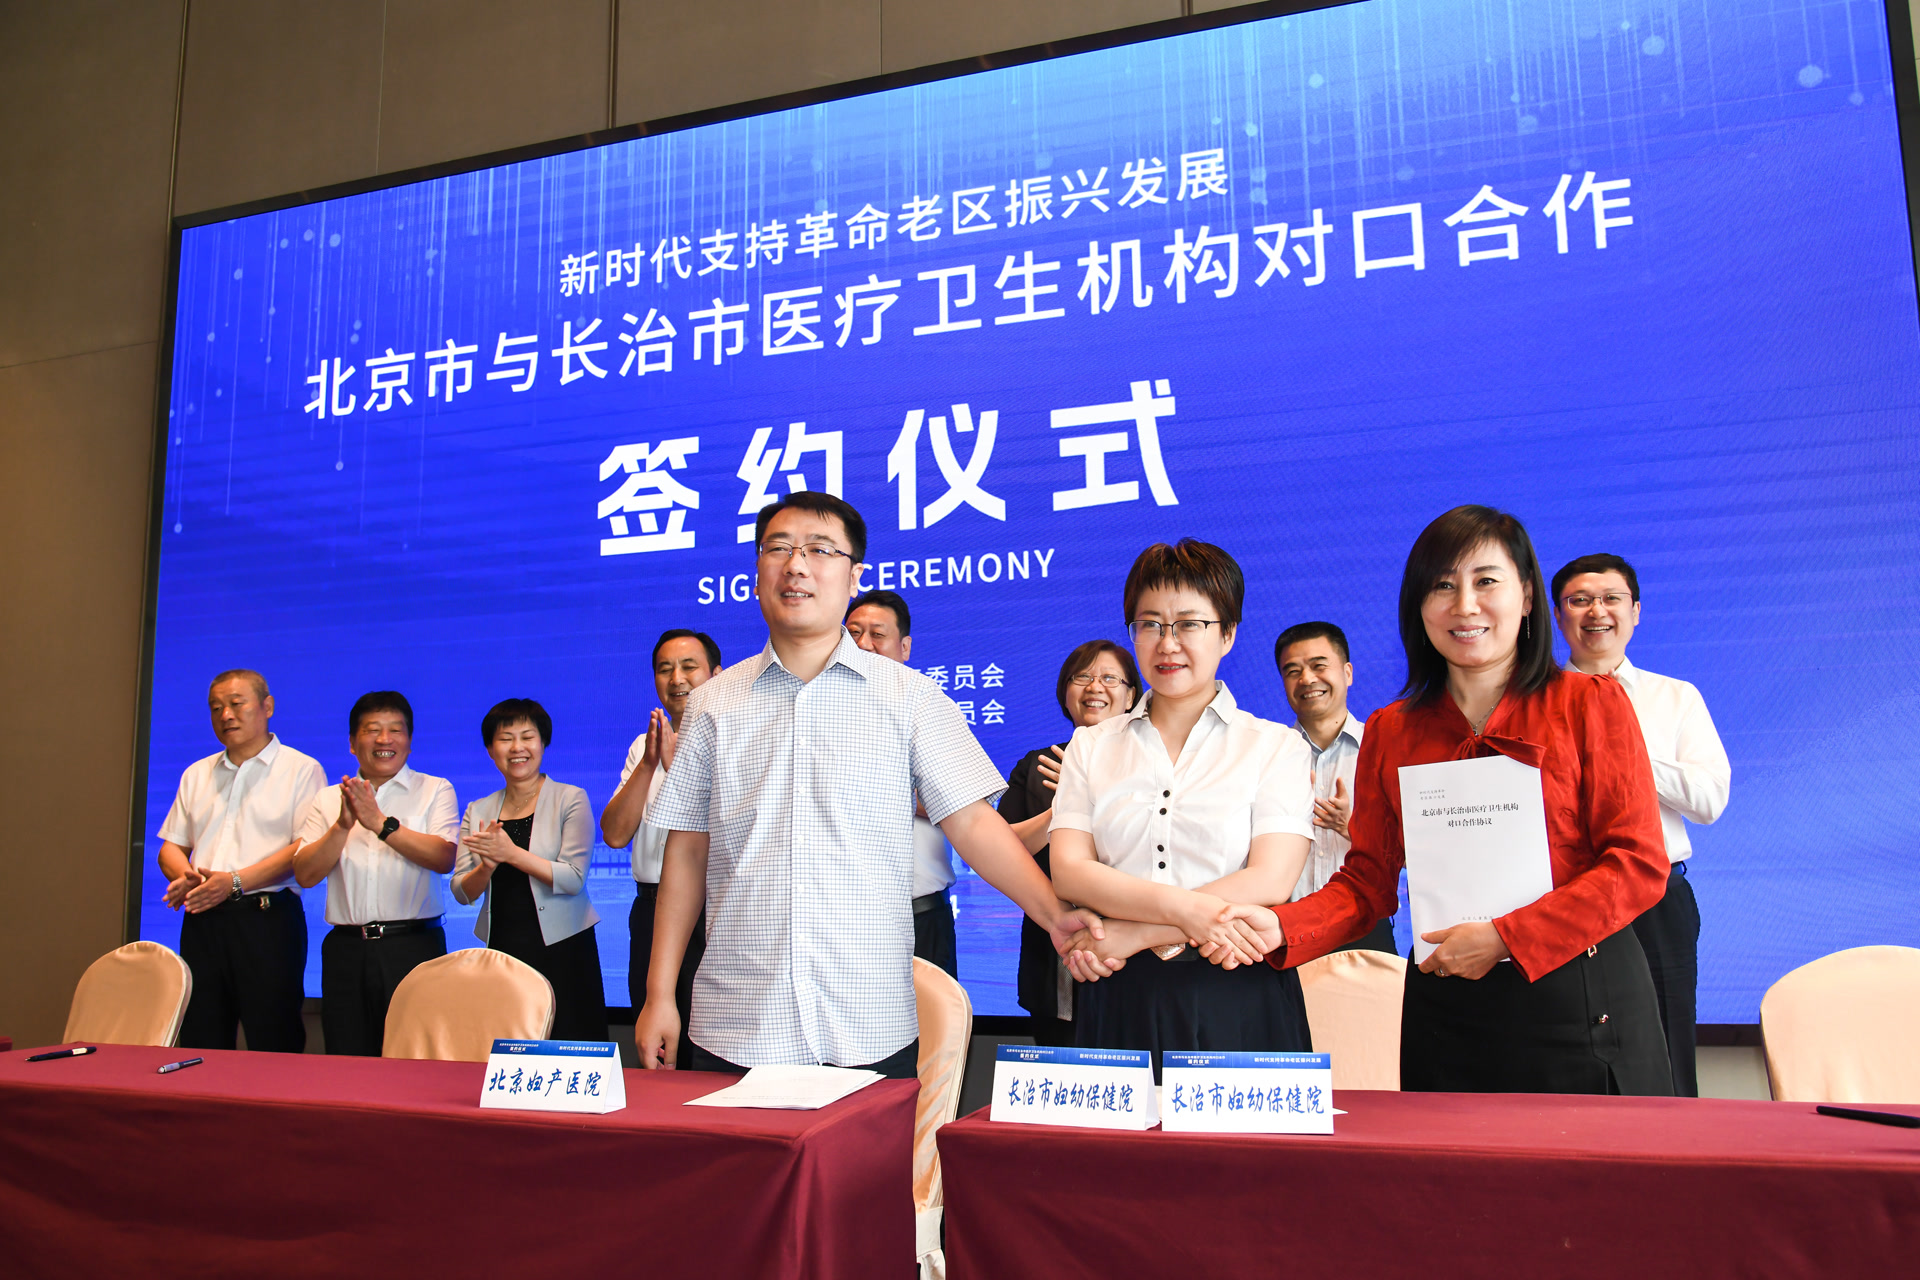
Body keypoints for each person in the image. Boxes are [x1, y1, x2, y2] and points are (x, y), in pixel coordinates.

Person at [634, 490, 1100, 1078]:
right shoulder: (712, 705)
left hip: (868, 1021)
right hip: (736, 1019)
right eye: (779, 548)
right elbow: (686, 851)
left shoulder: (911, 698)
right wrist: (659, 994)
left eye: (819, 550)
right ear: (757, 573)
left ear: (854, 576)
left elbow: (973, 823)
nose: (797, 565)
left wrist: (1053, 915)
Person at [1235, 506, 1672, 1094]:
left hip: (1584, 1003)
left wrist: (1506, 937)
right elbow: (1367, 882)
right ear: (1418, 607)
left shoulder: (1590, 702)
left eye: (1486, 581)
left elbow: (1637, 863)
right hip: (1448, 1014)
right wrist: (1279, 925)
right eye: (1442, 586)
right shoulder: (1393, 730)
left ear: (1526, 597)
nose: (1464, 605)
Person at [1051, 540, 1316, 1072]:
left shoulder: (1275, 745)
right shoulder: (1091, 745)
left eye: (1189, 624)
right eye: (1150, 624)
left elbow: (1271, 879)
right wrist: (1182, 916)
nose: (1167, 643)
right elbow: (1071, 871)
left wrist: (1138, 933)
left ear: (1227, 633)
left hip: (1236, 983)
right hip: (1118, 988)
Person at [1553, 552, 1730, 1097]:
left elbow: (1708, 800)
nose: (1596, 611)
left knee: (1668, 1048)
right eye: (1579, 600)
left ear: (1635, 611)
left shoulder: (1675, 697)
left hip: (1655, 895)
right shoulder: (1533, 703)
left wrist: (1622, 753)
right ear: (1557, 615)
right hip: (1561, 899)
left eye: (1611, 599)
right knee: (1566, 1045)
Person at [156, 669, 326, 1053]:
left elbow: (304, 849)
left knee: (274, 1039)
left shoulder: (301, 769)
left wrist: (233, 882)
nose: (226, 715)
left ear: (268, 706)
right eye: (216, 707)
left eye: (236, 704)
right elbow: (170, 847)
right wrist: (191, 879)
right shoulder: (197, 773)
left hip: (267, 920)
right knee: (201, 1038)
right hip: (203, 920)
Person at [292, 691, 459, 1056]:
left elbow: (444, 857)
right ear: (353, 743)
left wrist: (380, 823)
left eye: (395, 730)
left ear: (409, 741)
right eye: (372, 730)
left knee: (415, 1058)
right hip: (346, 949)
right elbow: (304, 875)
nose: (385, 740)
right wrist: (342, 825)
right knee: (347, 1058)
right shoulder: (327, 799)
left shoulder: (435, 789)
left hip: (414, 946)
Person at [998, 640, 1141, 1046]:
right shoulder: (1038, 765)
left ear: (1132, 696)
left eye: (1110, 678)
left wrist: (1100, 795)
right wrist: (1063, 806)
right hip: (1055, 950)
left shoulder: (1154, 764)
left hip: (1138, 949)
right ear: (1066, 692)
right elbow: (1000, 850)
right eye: (1083, 677)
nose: (1095, 686)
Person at [451, 699, 606, 1041]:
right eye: (505, 739)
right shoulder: (478, 810)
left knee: (571, 1038)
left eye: (527, 737)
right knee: (511, 1039)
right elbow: (461, 891)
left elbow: (573, 878)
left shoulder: (570, 798)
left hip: (564, 946)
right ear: (491, 750)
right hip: (504, 944)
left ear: (543, 742)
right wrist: (487, 866)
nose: (517, 748)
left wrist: (510, 854)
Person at [600, 629, 722, 1061]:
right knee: (655, 1045)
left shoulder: (735, 741)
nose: (676, 679)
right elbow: (615, 834)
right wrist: (651, 763)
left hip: (713, 911)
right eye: (665, 669)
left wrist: (679, 768)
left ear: (717, 675)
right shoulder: (643, 745)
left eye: (689, 667)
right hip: (651, 910)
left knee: (707, 1043)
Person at [845, 588, 958, 978]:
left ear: (904, 647)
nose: (863, 644)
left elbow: (961, 805)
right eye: (853, 633)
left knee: (935, 1018)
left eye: (877, 634)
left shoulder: (931, 709)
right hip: (839, 919)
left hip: (920, 915)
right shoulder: (812, 712)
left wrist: (889, 789)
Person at [1275, 622, 1394, 954]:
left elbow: (1419, 857)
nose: (1306, 679)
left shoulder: (1383, 750)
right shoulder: (1269, 756)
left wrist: (1353, 826)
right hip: (1283, 930)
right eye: (1292, 671)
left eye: (1318, 666)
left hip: (1364, 927)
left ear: (1347, 673)